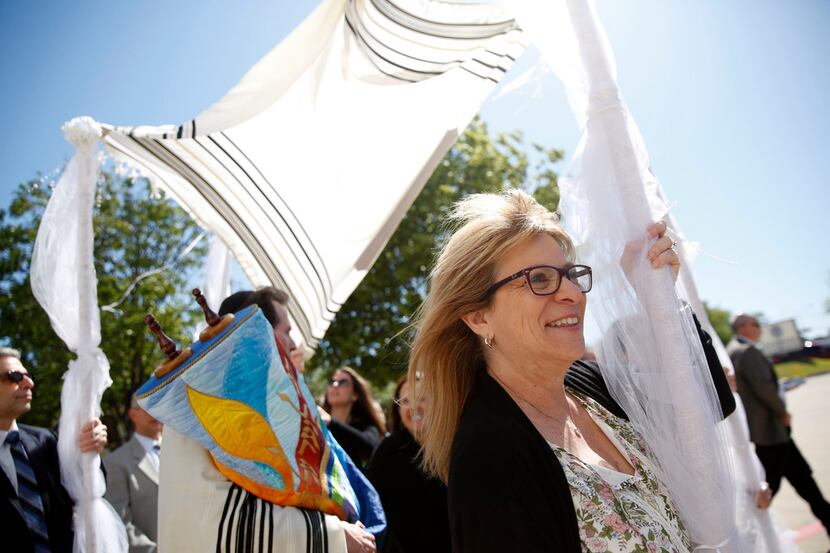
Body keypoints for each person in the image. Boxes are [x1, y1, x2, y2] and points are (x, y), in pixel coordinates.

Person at [407, 190, 736, 552]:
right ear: (479, 317)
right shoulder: (490, 458)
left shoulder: (587, 386)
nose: (574, 294)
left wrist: (659, 298)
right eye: (541, 279)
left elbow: (711, 402)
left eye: (571, 275)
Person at [149, 287, 376, 553]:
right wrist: (334, 536)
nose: (293, 344)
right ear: (257, 332)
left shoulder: (257, 401)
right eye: (287, 331)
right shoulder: (201, 408)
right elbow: (215, 519)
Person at [727, 313, 830, 533]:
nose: (760, 327)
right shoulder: (747, 351)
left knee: (803, 479)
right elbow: (763, 388)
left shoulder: (736, 350)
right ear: (744, 327)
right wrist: (783, 412)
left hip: (769, 432)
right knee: (769, 488)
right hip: (770, 431)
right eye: (756, 324)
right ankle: (749, 536)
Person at [0, 346, 108, 553]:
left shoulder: (47, 440)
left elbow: (87, 491)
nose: (29, 383)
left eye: (27, 375)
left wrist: (90, 452)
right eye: (14, 377)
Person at [367, 375, 450, 553]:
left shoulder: (455, 446)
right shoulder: (388, 451)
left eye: (422, 399)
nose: (413, 407)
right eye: (405, 401)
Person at [104, 395, 163, 553]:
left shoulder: (182, 455)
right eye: (148, 406)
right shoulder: (115, 462)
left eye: (159, 404)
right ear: (133, 415)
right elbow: (121, 524)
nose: (155, 412)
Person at [319, 367, 385, 469]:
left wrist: (331, 422)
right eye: (332, 381)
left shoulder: (365, 425)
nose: (335, 385)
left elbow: (369, 447)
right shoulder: (316, 422)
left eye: (343, 382)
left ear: (355, 395)